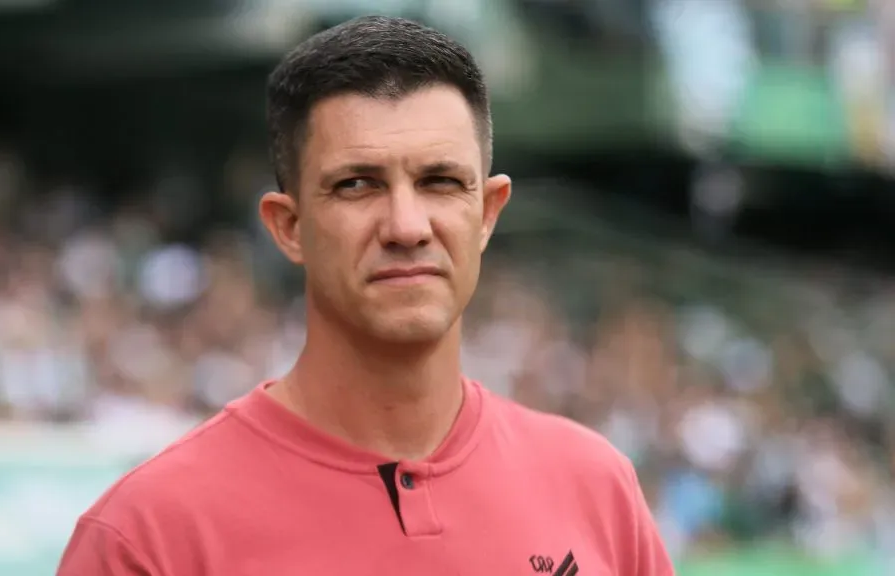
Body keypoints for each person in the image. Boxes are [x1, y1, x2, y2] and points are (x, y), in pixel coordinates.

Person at [57, 15, 675, 575]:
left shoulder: (596, 487)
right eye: (357, 185)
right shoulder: (147, 537)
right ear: (288, 227)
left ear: (486, 214)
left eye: (440, 182)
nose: (407, 226)